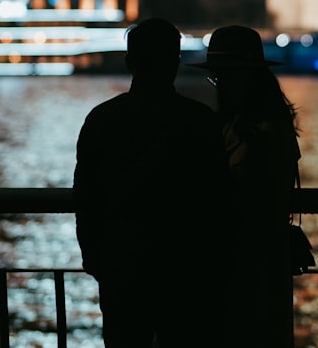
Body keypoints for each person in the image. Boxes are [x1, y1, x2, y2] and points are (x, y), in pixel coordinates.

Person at [72, 18, 230, 348]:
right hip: (184, 267)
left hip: (122, 263)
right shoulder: (199, 120)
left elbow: (86, 198)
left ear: (130, 62)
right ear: (176, 61)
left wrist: (96, 258)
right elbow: (218, 199)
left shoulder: (102, 120)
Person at [189, 25, 302, 348]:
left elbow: (236, 196)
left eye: (221, 77)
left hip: (242, 268)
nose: (218, 86)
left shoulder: (249, 131)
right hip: (264, 263)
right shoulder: (271, 124)